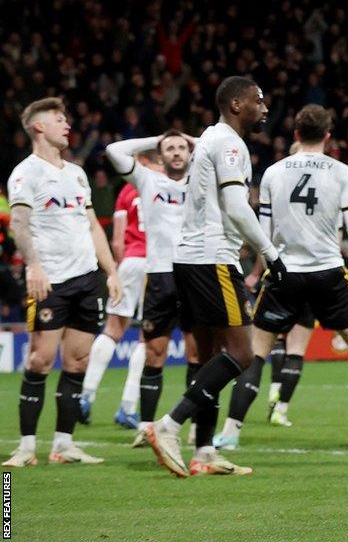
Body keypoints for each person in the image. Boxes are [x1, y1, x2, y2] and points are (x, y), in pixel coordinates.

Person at [214, 104, 348, 450]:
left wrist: (264, 268)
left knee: (256, 353)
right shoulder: (341, 172)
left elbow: (264, 230)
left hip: (285, 274)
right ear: (328, 136)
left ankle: (231, 431)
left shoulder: (275, 173)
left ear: (295, 134)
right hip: (329, 274)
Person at [145, 76, 287, 478]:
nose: (264, 108)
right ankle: (168, 426)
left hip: (190, 257)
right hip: (213, 258)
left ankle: (204, 452)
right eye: (259, 101)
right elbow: (237, 207)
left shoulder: (210, 137)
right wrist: (271, 254)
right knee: (241, 354)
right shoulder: (228, 143)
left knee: (208, 355)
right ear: (237, 105)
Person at [3, 97, 123, 467]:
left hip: (88, 279)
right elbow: (19, 224)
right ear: (39, 127)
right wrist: (33, 266)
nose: (67, 125)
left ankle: (64, 445)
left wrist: (112, 271)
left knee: (77, 361)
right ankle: (25, 447)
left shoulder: (76, 173)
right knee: (40, 360)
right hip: (50, 281)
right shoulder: (26, 173)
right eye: (59, 120)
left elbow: (91, 226)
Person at [103, 130, 201, 448]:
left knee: (197, 353)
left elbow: (237, 164)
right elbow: (114, 149)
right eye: (169, 149)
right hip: (159, 277)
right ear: (160, 154)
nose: (175, 152)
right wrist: (157, 139)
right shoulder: (148, 180)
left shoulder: (201, 178)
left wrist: (194, 141)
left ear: (190, 153)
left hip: (194, 275)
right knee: (154, 353)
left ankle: (197, 426)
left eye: (181, 148)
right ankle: (146, 427)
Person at [79, 179, 148, 429]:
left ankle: (85, 395)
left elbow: (118, 241)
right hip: (157, 266)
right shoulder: (166, 185)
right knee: (147, 337)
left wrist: (117, 272)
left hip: (130, 262)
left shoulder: (127, 190)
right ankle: (128, 407)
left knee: (112, 330)